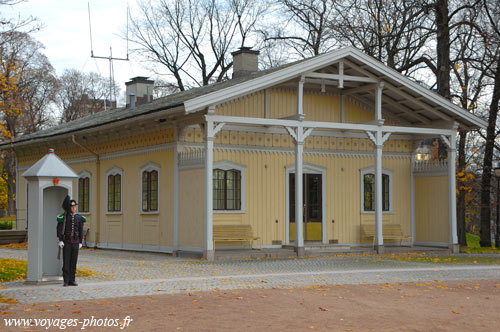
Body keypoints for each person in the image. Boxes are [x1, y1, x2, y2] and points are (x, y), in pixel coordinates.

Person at [57, 196, 86, 286]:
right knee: (66, 261)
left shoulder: (79, 218)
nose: (74, 208)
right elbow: (59, 229)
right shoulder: (64, 217)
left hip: (76, 242)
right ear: (69, 208)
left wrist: (81, 241)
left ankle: (72, 280)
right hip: (67, 241)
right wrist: (60, 240)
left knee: (74, 261)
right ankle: (66, 280)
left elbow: (81, 230)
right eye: (72, 207)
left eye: (75, 207)